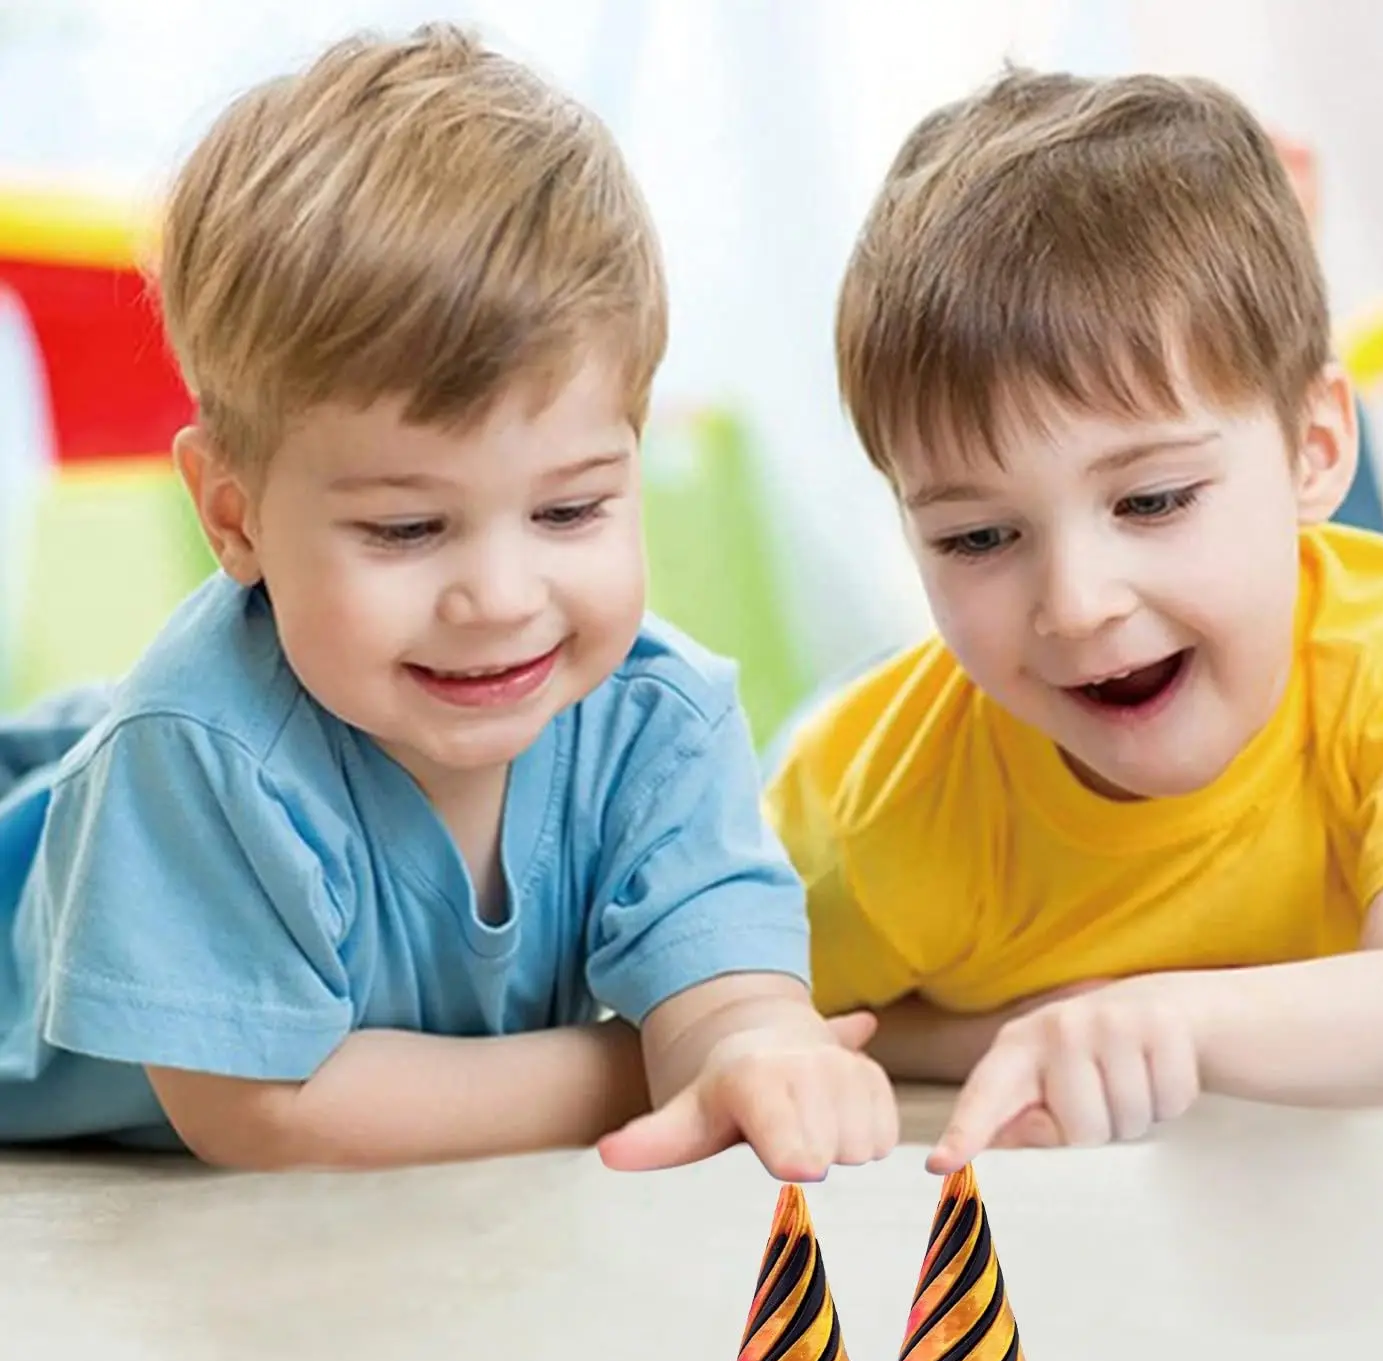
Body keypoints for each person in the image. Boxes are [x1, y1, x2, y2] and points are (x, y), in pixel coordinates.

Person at [0, 25, 896, 1180]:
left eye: (570, 512)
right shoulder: (204, 749)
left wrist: (746, 1047)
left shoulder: (658, 721)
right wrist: (631, 1063)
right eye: (407, 529)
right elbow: (266, 1114)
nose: (498, 598)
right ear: (233, 517)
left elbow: (725, 981)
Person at [763, 68, 1383, 1173]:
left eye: (1148, 501)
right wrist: (1020, 1031)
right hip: (866, 714)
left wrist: (1160, 1017)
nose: (1077, 605)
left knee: (1304, 539)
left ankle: (1278, 354)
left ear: (1317, 445)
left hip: (1310, 565)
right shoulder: (872, 825)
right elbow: (754, 1023)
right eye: (975, 538)